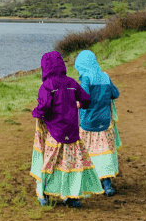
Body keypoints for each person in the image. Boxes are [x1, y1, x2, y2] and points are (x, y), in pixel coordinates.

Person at [30, 51, 104, 207]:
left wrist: (35, 113)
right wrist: (80, 105)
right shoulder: (71, 83)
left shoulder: (47, 86)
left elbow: (44, 107)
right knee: (70, 164)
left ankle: (44, 194)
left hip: (54, 133)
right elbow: (86, 99)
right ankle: (71, 196)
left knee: (50, 162)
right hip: (71, 132)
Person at [74, 49, 121, 196]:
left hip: (88, 123)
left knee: (86, 152)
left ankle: (86, 183)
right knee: (104, 153)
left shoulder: (86, 79)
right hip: (104, 123)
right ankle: (107, 185)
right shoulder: (105, 76)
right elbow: (116, 94)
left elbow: (84, 99)